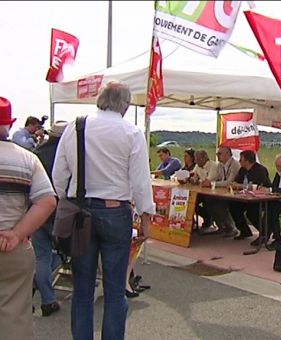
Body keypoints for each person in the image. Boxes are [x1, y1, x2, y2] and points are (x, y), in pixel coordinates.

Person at [53, 81, 155, 340]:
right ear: (125, 105)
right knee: (114, 291)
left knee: (83, 291)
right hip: (115, 211)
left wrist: (69, 200)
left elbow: (59, 174)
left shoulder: (76, 126)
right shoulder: (131, 132)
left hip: (80, 212)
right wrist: (145, 217)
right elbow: (141, 181)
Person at [0, 97, 57, 340]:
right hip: (13, 247)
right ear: (9, 124)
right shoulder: (26, 159)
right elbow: (47, 201)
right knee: (15, 315)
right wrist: (18, 233)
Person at [32, 120, 68, 317]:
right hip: (61, 212)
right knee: (67, 251)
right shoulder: (68, 154)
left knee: (42, 256)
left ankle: (46, 298)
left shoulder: (37, 153)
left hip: (37, 211)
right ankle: (37, 284)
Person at [229, 150, 271, 243]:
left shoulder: (260, 170)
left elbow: (256, 186)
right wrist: (242, 186)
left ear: (247, 161)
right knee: (233, 205)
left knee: (252, 213)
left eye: (241, 159)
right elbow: (235, 182)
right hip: (246, 197)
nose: (239, 161)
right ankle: (244, 231)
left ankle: (264, 233)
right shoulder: (242, 170)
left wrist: (242, 186)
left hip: (260, 199)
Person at [202, 146, 240, 238]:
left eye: (219, 153)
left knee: (219, 204)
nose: (217, 155)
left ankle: (231, 227)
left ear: (227, 154)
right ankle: (221, 226)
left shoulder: (235, 165)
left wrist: (211, 183)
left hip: (234, 194)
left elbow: (229, 182)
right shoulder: (220, 165)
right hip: (222, 192)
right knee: (207, 201)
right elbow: (217, 178)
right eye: (217, 154)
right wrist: (207, 181)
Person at [191, 150, 219, 232]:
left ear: (204, 158)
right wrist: (194, 180)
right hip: (202, 192)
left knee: (207, 201)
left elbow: (208, 182)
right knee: (190, 201)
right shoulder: (197, 166)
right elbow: (193, 177)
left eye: (197, 159)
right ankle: (192, 223)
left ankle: (208, 218)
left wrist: (197, 181)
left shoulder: (213, 165)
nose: (195, 161)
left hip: (213, 192)